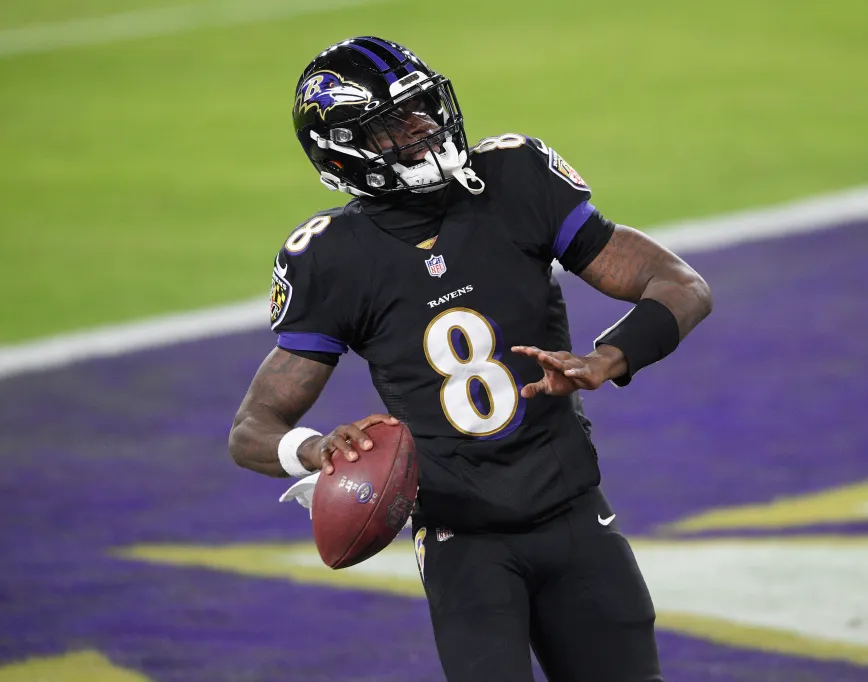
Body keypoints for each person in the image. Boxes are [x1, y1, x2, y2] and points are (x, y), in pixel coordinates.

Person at [228, 36, 712, 682]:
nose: (421, 125)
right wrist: (315, 450)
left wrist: (610, 357)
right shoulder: (330, 258)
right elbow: (251, 431)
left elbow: (681, 286)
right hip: (462, 542)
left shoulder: (514, 179)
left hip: (573, 510)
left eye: (422, 105)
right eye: (393, 123)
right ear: (344, 153)